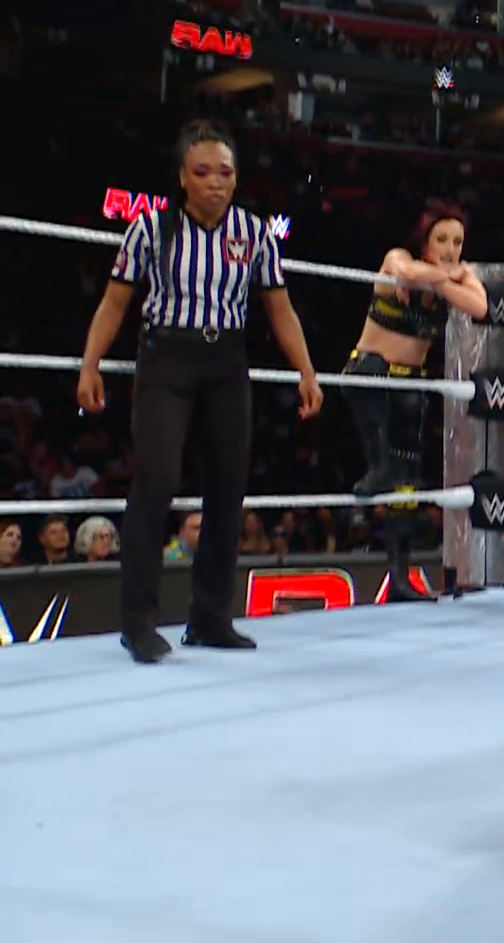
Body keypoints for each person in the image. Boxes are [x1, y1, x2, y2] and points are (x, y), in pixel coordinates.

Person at [77, 119, 323, 664]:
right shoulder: (151, 229)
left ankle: (210, 618)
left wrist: (306, 370)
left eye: (226, 173)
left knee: (228, 486)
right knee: (157, 480)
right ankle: (138, 622)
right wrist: (90, 364)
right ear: (183, 177)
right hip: (166, 356)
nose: (216, 183)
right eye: (204, 172)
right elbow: (115, 302)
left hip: (226, 360)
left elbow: (279, 306)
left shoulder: (253, 232)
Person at [343, 203, 489, 598]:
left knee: (407, 485)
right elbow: (406, 272)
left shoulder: (450, 280)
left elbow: (480, 306)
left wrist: (445, 279)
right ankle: (370, 480)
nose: (450, 249)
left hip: (409, 386)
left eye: (457, 242)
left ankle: (400, 578)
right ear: (425, 241)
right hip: (370, 376)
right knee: (384, 472)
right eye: (442, 240)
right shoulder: (398, 257)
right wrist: (449, 276)